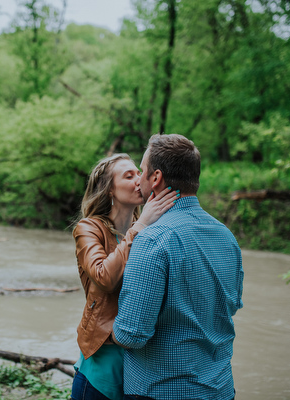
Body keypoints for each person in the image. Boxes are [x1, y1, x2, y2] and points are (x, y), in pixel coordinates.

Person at [112, 134, 244, 400]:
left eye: (143, 171)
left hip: (161, 390)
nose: (139, 178)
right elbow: (231, 305)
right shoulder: (226, 236)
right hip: (220, 389)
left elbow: (131, 335)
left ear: (156, 178)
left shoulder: (152, 240)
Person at [71, 153, 179, 400]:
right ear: (109, 189)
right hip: (104, 358)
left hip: (144, 358)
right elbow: (104, 278)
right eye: (128, 176)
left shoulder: (153, 228)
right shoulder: (88, 228)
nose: (138, 180)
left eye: (138, 173)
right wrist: (139, 228)